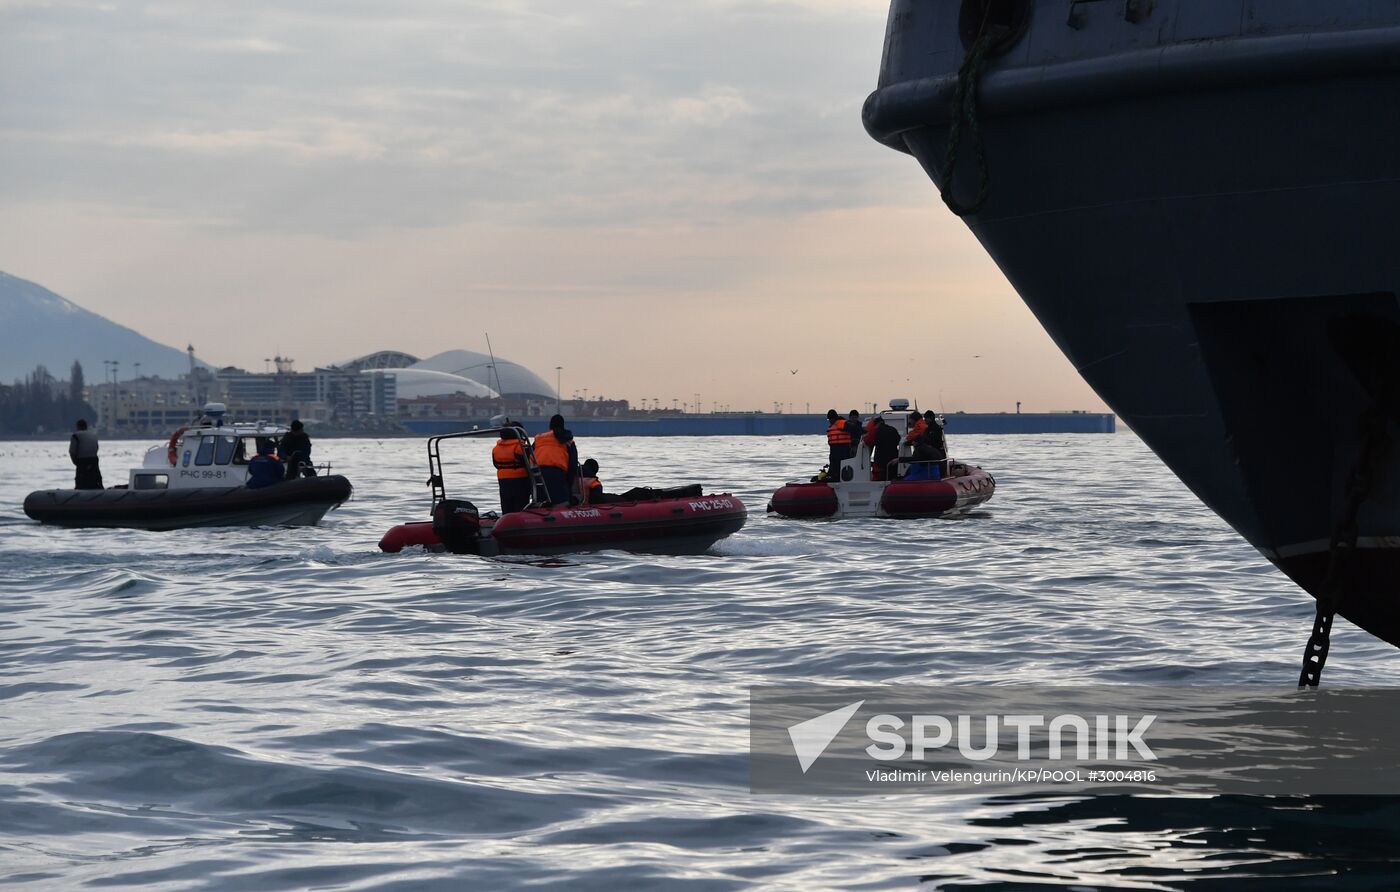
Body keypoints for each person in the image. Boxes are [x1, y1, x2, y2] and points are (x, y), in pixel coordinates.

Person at [532, 414, 576, 505]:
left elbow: (530, 455)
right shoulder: (568, 440)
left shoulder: (539, 438)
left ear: (550, 426)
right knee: (562, 503)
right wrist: (569, 482)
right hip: (557, 474)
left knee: (541, 502)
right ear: (563, 425)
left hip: (538, 474)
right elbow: (573, 464)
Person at [492, 425, 532, 514]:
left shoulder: (496, 449)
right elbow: (530, 463)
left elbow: (495, 464)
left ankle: (506, 519)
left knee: (506, 504)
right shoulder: (521, 447)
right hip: (520, 479)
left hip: (503, 480)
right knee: (520, 505)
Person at [863, 415, 902, 481]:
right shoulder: (893, 429)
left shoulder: (875, 431)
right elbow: (898, 440)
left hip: (880, 462)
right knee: (891, 478)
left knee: (880, 480)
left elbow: (868, 441)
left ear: (875, 423)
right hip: (893, 459)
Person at [69, 419, 102, 490]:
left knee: (81, 483)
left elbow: (72, 451)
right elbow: (96, 447)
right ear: (86, 426)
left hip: (82, 461)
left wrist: (75, 462)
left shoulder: (75, 436)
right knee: (96, 481)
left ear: (77, 427)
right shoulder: (93, 435)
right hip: (94, 460)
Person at [826, 409, 853, 483]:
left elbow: (854, 430)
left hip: (843, 450)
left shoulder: (842, 424)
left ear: (833, 418)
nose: (829, 421)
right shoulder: (832, 426)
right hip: (834, 451)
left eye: (830, 419)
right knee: (834, 465)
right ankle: (832, 476)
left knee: (840, 465)